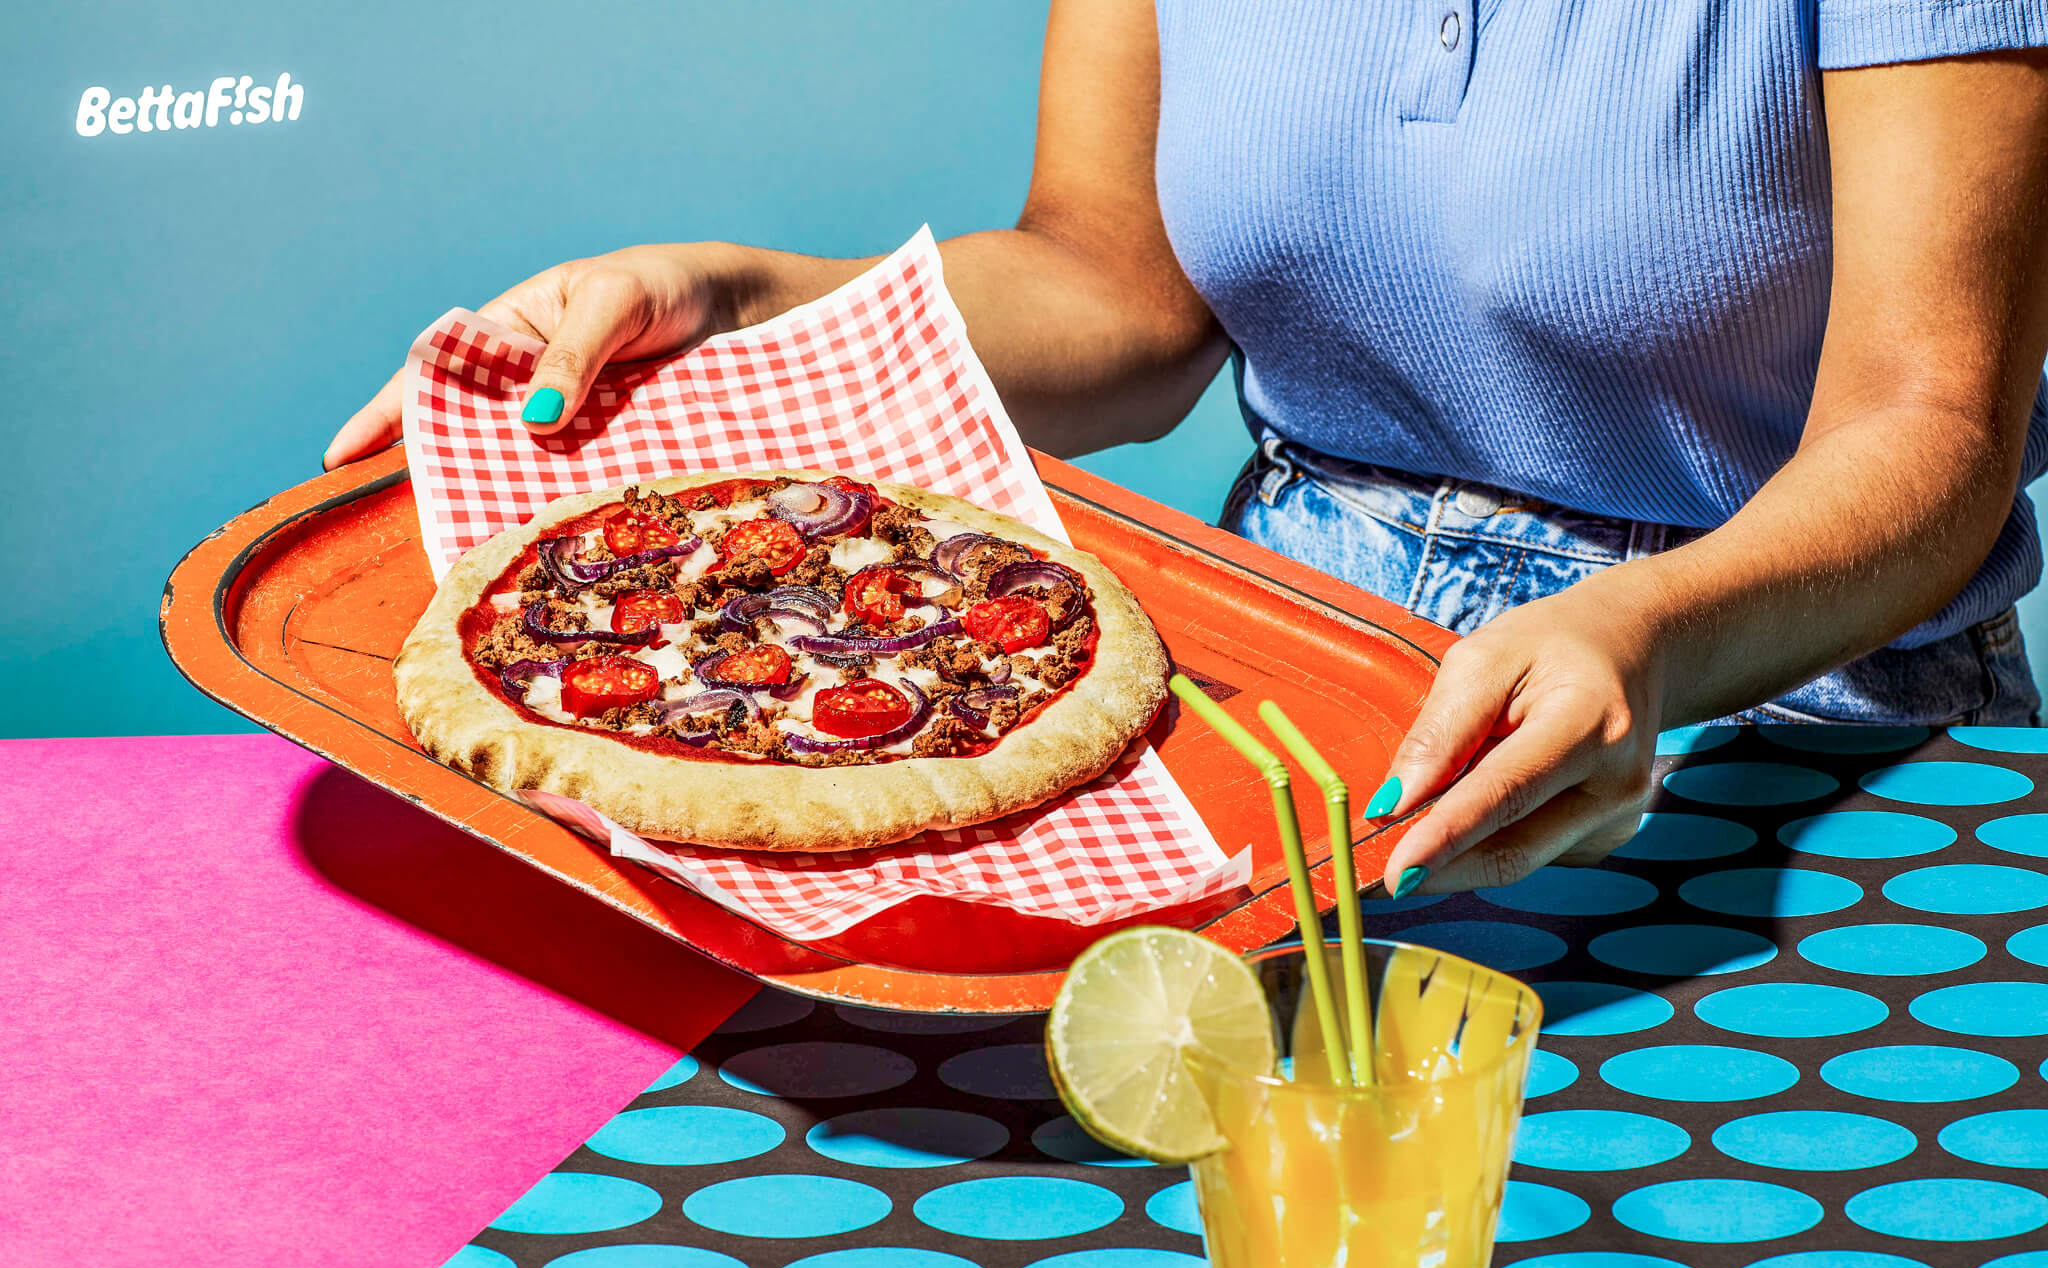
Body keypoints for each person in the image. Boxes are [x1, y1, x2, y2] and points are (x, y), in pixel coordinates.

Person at [326, 0, 2048, 898]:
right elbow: (1121, 300)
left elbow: (1936, 423)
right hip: (1295, 699)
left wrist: (1651, 632)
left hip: (1789, 720)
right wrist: (730, 304)